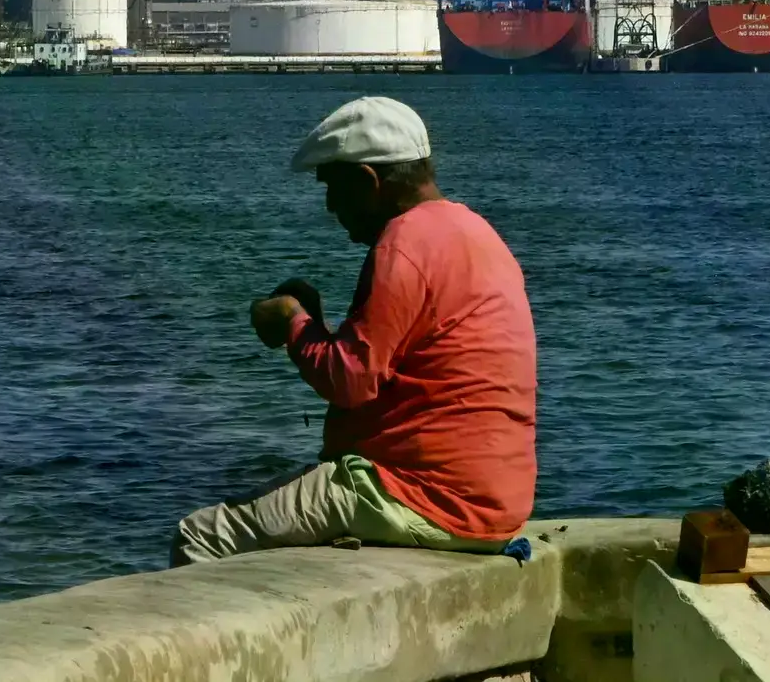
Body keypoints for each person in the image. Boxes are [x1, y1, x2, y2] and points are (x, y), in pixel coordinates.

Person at [172, 96, 537, 563]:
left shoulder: (403, 246)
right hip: (494, 503)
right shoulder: (476, 232)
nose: (329, 207)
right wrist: (317, 328)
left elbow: (351, 380)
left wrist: (292, 322)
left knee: (200, 537)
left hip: (425, 497)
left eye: (334, 189)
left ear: (369, 183)